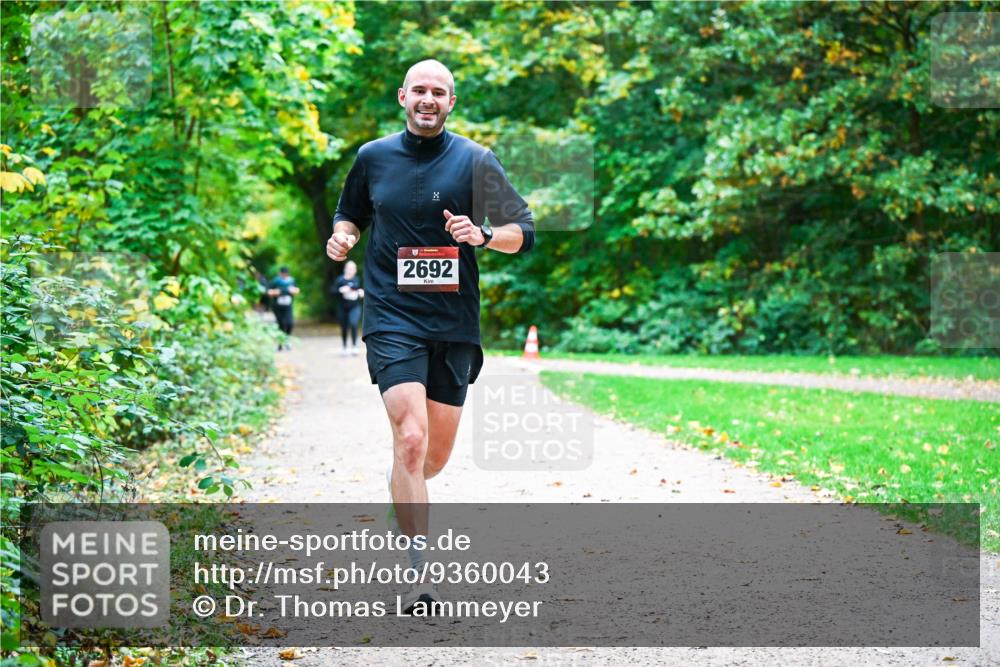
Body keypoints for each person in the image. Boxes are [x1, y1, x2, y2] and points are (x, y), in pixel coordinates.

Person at [325, 59, 535, 613]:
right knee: (411, 439)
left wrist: (484, 234)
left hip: (454, 323)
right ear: (402, 96)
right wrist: (342, 237)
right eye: (419, 89)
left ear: (450, 102)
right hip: (393, 317)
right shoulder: (372, 158)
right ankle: (419, 578)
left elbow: (524, 232)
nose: (428, 98)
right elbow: (349, 214)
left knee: (430, 457)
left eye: (438, 92)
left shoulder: (476, 160)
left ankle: (403, 485)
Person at [333, 261, 364, 356]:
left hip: (355, 306)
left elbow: (363, 289)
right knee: (344, 327)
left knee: (354, 323)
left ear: (355, 270)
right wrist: (340, 290)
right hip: (342, 307)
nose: (351, 270)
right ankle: (344, 346)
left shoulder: (358, 279)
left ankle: (354, 346)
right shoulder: (340, 280)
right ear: (345, 269)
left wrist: (362, 292)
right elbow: (332, 291)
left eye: (353, 268)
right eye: (349, 268)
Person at [267, 266, 300, 349]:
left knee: (289, 323)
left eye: (286, 274)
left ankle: (287, 339)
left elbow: (297, 290)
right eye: (283, 274)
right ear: (280, 273)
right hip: (277, 306)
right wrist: (275, 292)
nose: (284, 275)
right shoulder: (275, 281)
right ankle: (280, 343)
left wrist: (293, 291)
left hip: (288, 305)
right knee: (281, 324)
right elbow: (268, 291)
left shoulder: (291, 281)